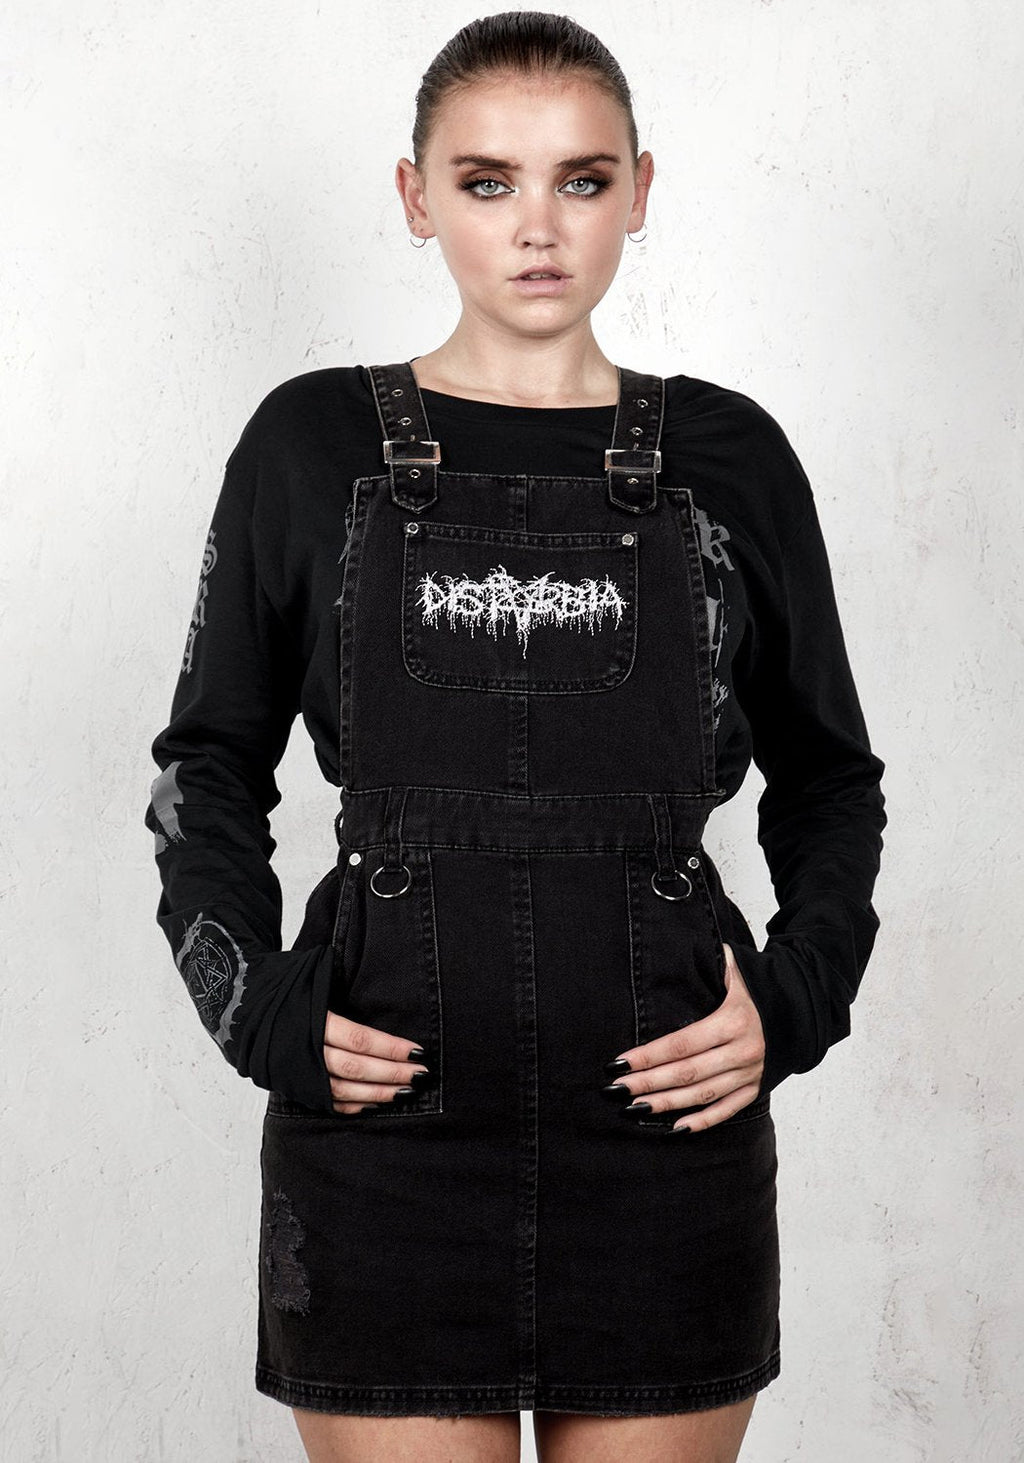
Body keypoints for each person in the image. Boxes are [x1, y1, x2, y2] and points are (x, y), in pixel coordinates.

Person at [144, 12, 887, 1462]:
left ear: (640, 190)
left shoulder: (729, 456)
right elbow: (207, 768)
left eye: (582, 180)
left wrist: (798, 998)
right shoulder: (311, 445)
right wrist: (256, 1010)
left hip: (664, 1141)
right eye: (486, 182)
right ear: (415, 197)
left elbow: (830, 778)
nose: (538, 227)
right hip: (385, 1143)